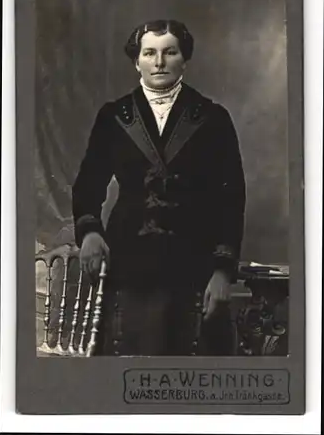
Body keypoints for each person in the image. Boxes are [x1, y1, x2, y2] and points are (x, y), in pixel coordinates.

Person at [72, 19, 246, 356]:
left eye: (170, 52)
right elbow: (88, 184)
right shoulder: (113, 117)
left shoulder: (213, 118)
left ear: (185, 58)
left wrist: (224, 271)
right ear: (137, 61)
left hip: (195, 267)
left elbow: (231, 198)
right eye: (149, 53)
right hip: (129, 266)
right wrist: (90, 232)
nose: (160, 62)